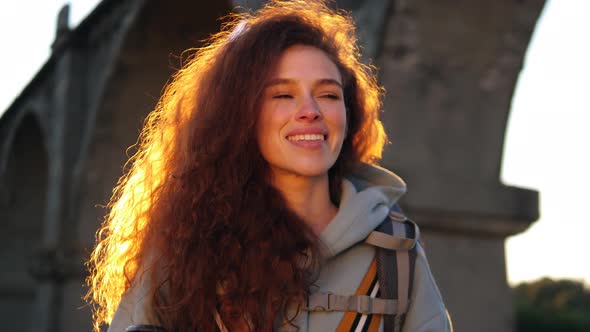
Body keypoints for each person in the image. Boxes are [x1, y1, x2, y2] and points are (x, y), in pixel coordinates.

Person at [86, 0, 453, 331]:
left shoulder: (396, 251)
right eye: (282, 95)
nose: (310, 111)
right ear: (240, 116)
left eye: (328, 94)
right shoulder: (183, 242)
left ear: (348, 112)